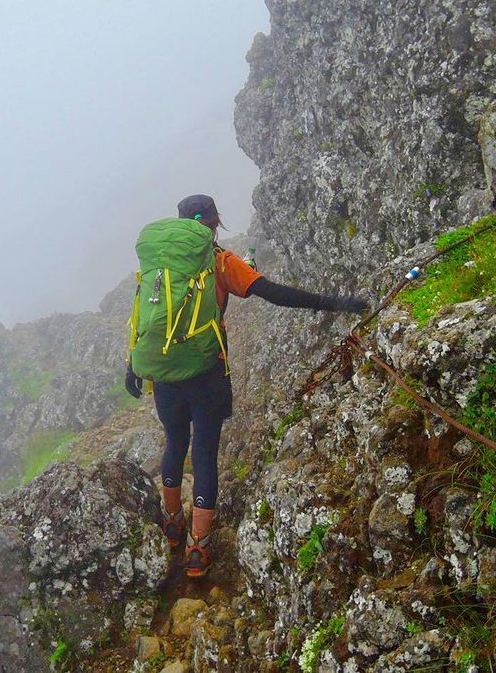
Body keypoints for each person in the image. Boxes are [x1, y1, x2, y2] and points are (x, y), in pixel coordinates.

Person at [124, 194, 367, 577]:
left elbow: (145, 316)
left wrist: (132, 366)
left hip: (164, 376)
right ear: (215, 222)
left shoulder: (162, 267)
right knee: (203, 454)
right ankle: (198, 550)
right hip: (206, 374)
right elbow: (273, 293)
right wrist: (335, 302)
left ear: (182, 224)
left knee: (175, 443)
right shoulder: (221, 262)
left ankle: (172, 525)